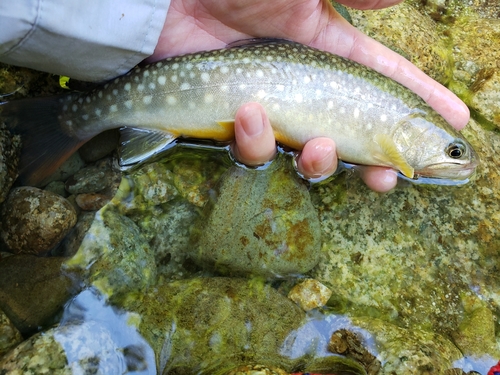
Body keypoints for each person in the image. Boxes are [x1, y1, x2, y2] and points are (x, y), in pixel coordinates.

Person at [0, 0, 470, 192]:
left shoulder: (393, 124)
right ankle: (72, 120)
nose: (456, 160)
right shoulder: (392, 123)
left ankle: (75, 118)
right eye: (454, 151)